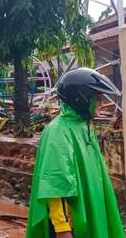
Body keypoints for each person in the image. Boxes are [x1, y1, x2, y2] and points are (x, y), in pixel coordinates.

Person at [26, 67, 124, 238]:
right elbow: (55, 184)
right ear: (81, 98)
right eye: (97, 98)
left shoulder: (82, 127)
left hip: (91, 211)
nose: (101, 103)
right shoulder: (58, 131)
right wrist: (62, 228)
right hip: (69, 227)